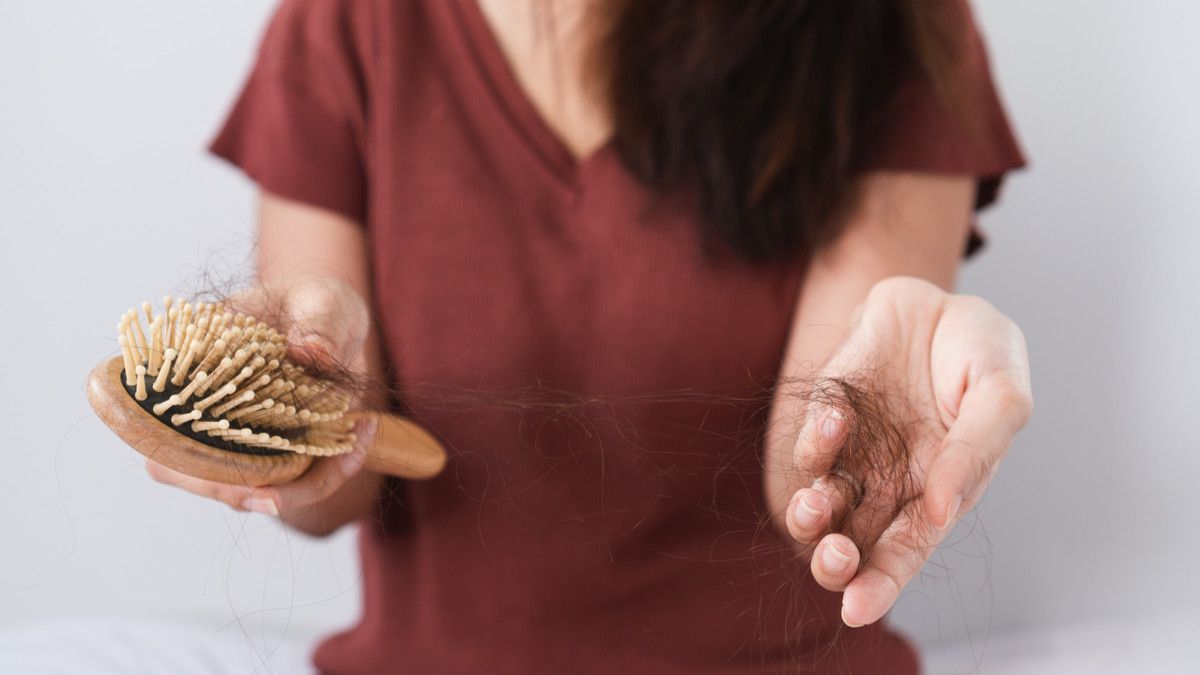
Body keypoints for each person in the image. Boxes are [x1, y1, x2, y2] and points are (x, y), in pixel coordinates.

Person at [148, 0, 1033, 672]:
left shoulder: (887, 28)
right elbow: (336, 489)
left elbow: (813, 485)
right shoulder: (345, 27)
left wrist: (885, 426)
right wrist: (277, 427)